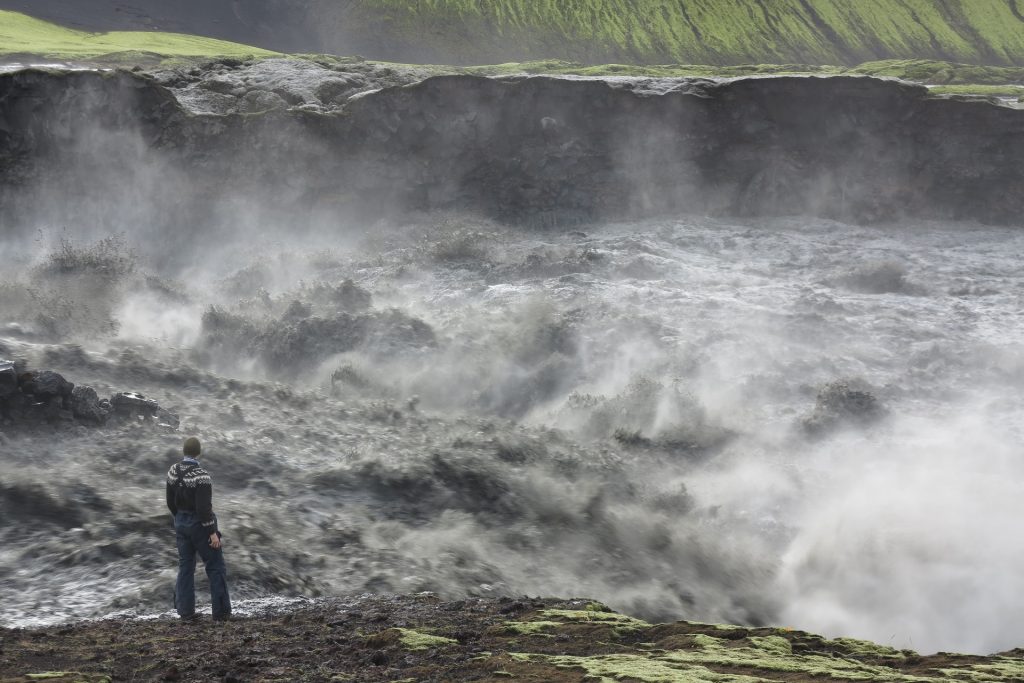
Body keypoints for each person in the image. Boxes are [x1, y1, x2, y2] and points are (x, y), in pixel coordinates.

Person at [166, 437, 231, 621]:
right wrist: (212, 533)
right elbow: (203, 509)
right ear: (198, 452)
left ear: (184, 451)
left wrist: (179, 518)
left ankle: (185, 612)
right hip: (199, 525)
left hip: (180, 522)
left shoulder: (172, 471)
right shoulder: (201, 475)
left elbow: (170, 502)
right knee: (215, 566)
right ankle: (221, 612)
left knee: (185, 566)